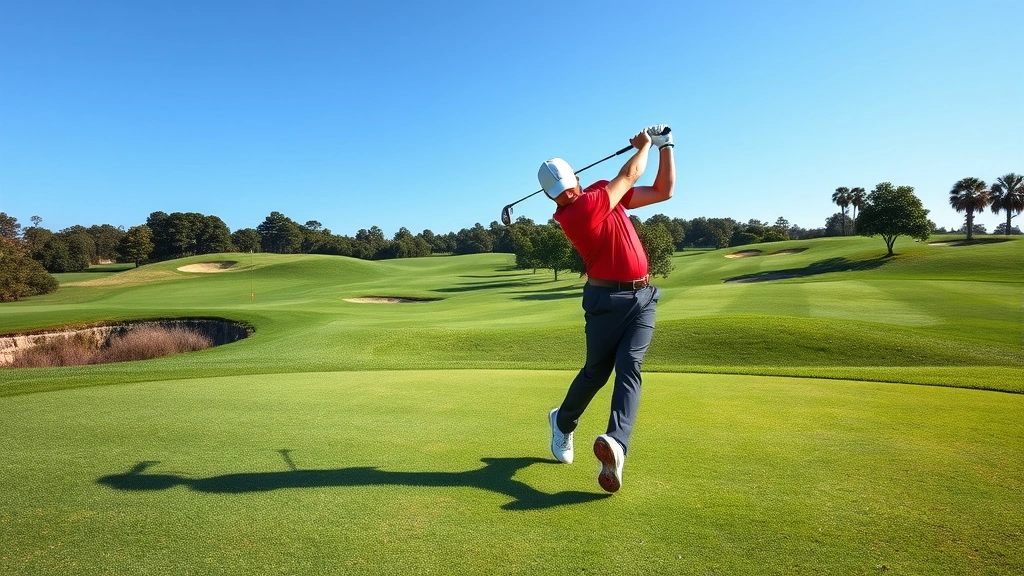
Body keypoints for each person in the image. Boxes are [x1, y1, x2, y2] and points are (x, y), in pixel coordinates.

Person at [538, 125, 675, 493]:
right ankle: (562, 423)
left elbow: (664, 192)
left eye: (569, 187)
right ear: (555, 198)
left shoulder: (601, 195)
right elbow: (631, 173)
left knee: (630, 367)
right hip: (605, 302)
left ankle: (616, 444)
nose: (567, 194)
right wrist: (645, 145)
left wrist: (666, 147)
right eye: (561, 193)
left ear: (576, 179)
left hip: (643, 297)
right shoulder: (578, 212)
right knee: (596, 373)